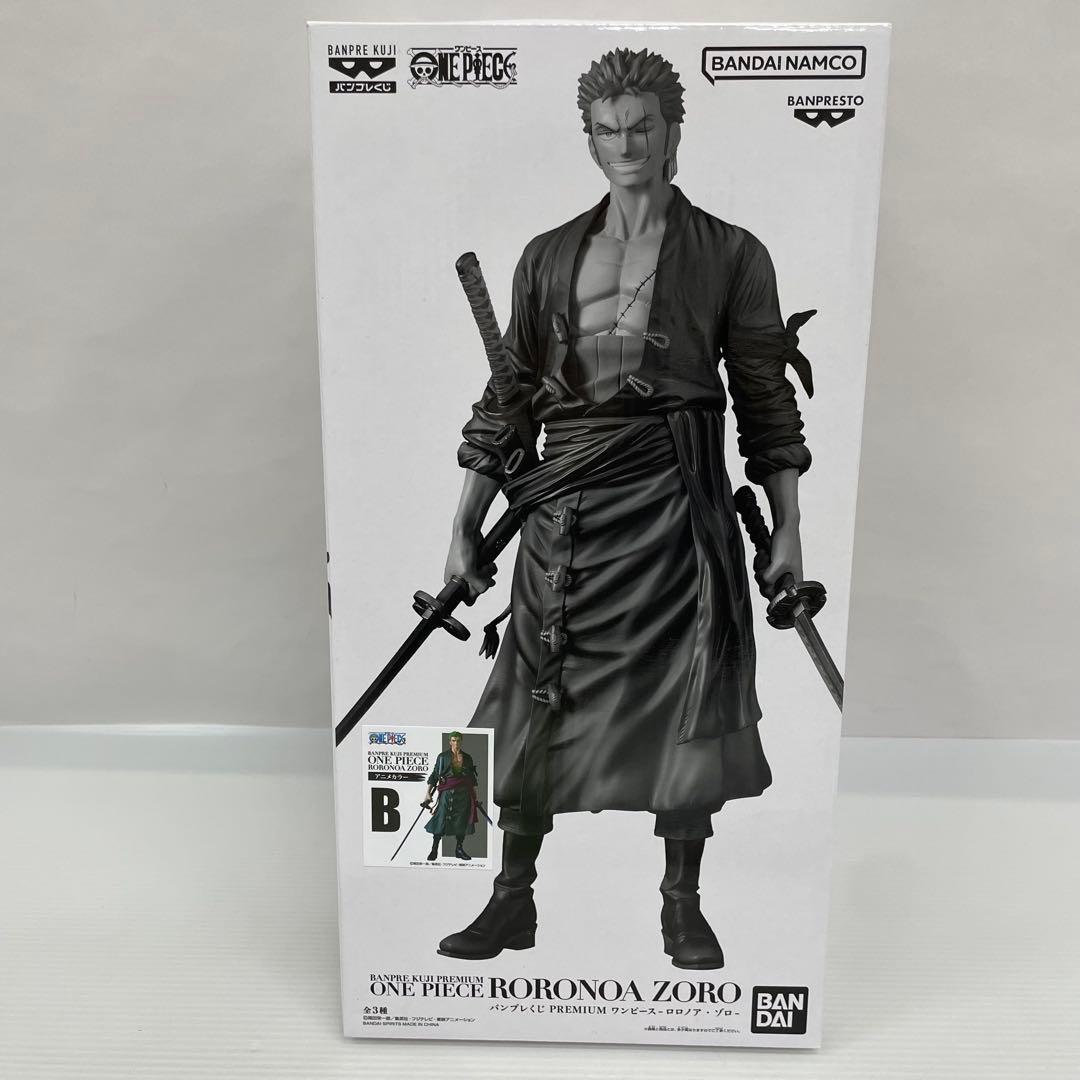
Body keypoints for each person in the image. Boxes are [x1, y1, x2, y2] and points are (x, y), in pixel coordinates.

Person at [437, 47, 815, 968]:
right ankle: (510, 900)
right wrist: (461, 525)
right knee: (532, 695)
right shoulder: (546, 256)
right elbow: (507, 402)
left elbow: (765, 401)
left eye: (642, 125)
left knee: (688, 696)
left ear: (673, 129)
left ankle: (682, 906)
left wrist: (789, 528)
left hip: (677, 512)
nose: (627, 144)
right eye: (608, 130)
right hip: (562, 516)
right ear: (590, 141)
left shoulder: (732, 254)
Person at [423, 732, 479, 861]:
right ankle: (434, 849)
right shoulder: (443, 757)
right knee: (440, 819)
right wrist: (427, 793)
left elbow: (472, 777)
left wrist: (475, 795)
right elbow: (435, 775)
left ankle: (459, 849)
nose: (456, 743)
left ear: (461, 741)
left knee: (462, 821)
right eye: (453, 740)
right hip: (447, 792)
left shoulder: (467, 757)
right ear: (450, 742)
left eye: (458, 740)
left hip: (464, 793)